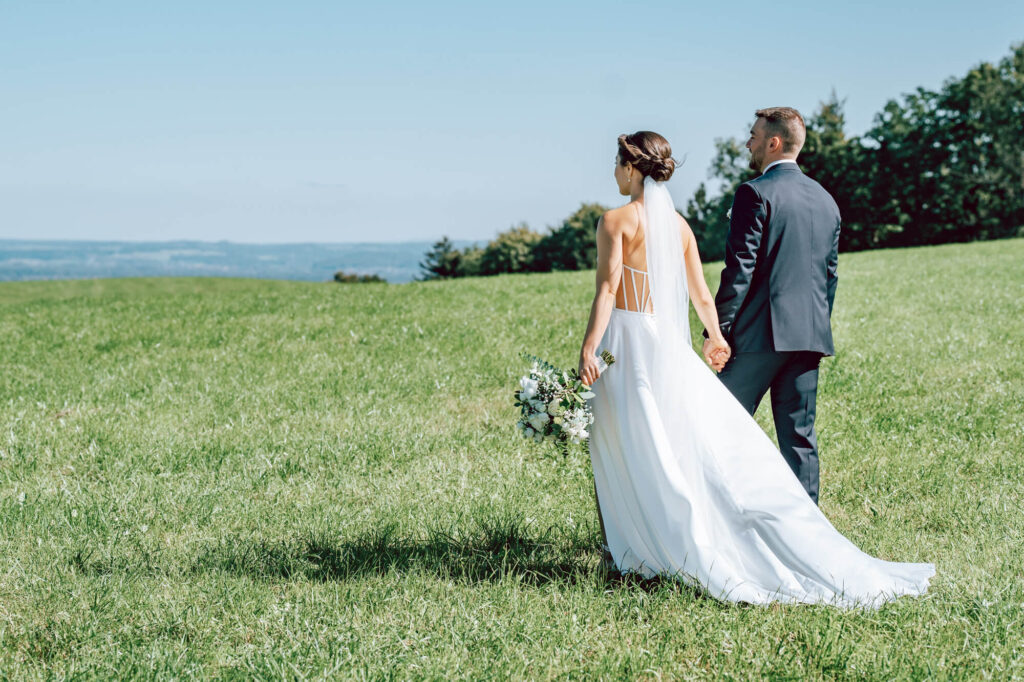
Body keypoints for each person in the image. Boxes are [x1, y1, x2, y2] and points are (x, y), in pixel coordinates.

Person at [576, 129, 933, 607]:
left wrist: (588, 349)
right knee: (680, 440)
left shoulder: (614, 221)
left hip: (628, 343)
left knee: (633, 442)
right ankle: (688, 538)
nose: (615, 172)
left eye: (618, 163)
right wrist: (717, 338)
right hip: (674, 346)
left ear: (633, 167)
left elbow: (607, 290)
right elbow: (701, 294)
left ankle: (634, 549)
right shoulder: (680, 227)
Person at [702, 107, 838, 504]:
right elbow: (829, 275)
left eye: (754, 135)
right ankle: (810, 536)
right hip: (809, 336)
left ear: (773, 142)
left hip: (759, 336)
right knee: (800, 440)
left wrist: (718, 330)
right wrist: (816, 324)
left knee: (717, 425)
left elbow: (739, 270)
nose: (748, 142)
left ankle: (719, 520)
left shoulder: (755, 192)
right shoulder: (826, 200)